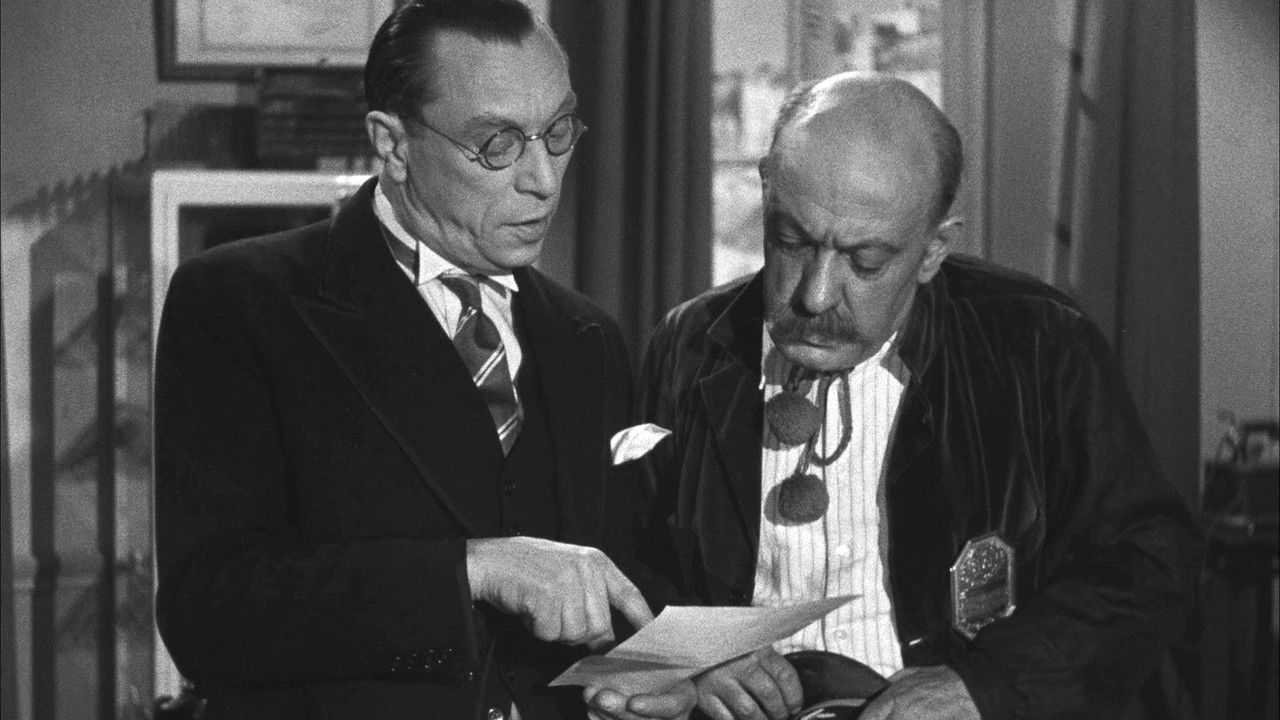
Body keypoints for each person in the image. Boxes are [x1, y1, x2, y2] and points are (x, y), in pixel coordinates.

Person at [154, 2, 691, 718]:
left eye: (559, 132)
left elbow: (611, 582)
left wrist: (670, 672)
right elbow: (209, 617)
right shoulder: (241, 302)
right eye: (498, 143)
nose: (543, 178)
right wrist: (473, 570)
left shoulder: (587, 337)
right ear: (393, 145)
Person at [636, 72, 1200, 720]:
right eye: (791, 241)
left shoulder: (1040, 344)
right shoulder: (687, 347)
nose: (814, 296)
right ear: (766, 193)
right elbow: (626, 559)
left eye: (866, 263)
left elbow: (1150, 562)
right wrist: (694, 653)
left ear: (933, 251)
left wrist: (983, 687)